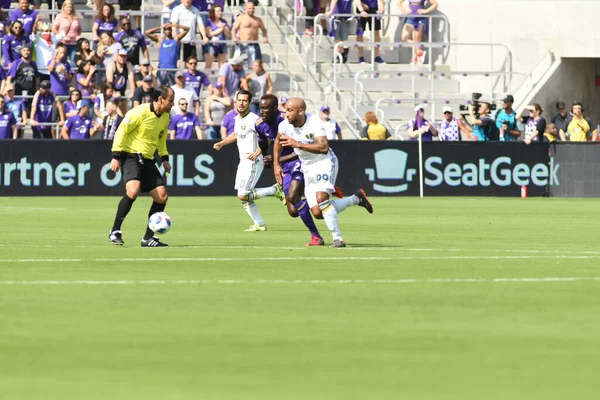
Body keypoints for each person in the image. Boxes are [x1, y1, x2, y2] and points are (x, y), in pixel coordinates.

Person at [275, 97, 373, 247]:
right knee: (318, 213)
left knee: (321, 199)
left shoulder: (315, 123)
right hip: (307, 167)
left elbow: (323, 147)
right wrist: (276, 164)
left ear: (300, 111)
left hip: (324, 162)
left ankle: (338, 239)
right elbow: (277, 141)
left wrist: (297, 144)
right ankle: (356, 199)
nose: (286, 114)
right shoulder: (284, 126)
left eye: (289, 110)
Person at [108, 86, 175, 247]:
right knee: (133, 190)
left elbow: (161, 139)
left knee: (162, 196)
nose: (173, 104)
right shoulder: (139, 112)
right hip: (130, 155)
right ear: (161, 99)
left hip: (148, 159)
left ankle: (148, 238)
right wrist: (116, 156)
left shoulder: (165, 116)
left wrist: (164, 158)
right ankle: (115, 231)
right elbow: (121, 132)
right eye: (171, 100)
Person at [256, 94, 325, 246]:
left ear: (275, 109)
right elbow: (271, 145)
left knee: (294, 196)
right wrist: (273, 162)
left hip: (297, 160)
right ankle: (320, 202)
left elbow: (299, 147)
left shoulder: (287, 120)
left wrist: (278, 160)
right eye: (260, 108)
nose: (262, 112)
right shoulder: (259, 125)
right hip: (283, 164)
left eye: (265, 108)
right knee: (293, 211)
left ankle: (316, 236)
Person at [213, 89, 284, 232]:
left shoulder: (255, 119)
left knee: (243, 195)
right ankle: (259, 224)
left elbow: (269, 138)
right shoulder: (237, 118)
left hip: (253, 161)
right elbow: (237, 134)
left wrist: (258, 152)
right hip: (243, 161)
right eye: (239, 100)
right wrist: (222, 142)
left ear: (250, 103)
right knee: (243, 197)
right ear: (235, 101)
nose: (241, 103)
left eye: (245, 100)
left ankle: (274, 190)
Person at [398, 0, 439, 64]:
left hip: (420, 18)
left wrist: (426, 11)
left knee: (417, 41)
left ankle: (416, 60)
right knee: (404, 37)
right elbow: (398, 2)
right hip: (410, 18)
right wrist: (405, 11)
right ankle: (420, 52)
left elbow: (435, 4)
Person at [231, 2, 268, 68]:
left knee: (255, 67)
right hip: (243, 44)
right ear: (246, 8)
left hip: (254, 45)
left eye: (253, 8)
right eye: (249, 8)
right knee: (241, 66)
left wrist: (265, 37)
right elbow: (234, 29)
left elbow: (264, 29)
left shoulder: (258, 20)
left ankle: (252, 78)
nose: (251, 10)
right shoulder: (241, 18)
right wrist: (234, 37)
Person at [7, 44, 38, 110]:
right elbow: (9, 78)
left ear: (30, 52)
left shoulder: (33, 64)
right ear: (21, 52)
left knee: (30, 112)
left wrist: (37, 90)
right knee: (20, 112)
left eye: (28, 50)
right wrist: (9, 88)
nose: (26, 52)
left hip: (31, 92)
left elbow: (37, 78)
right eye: (24, 50)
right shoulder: (16, 63)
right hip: (19, 92)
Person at [52, 0, 81, 65]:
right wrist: (62, 37)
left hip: (74, 43)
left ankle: (72, 75)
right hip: (63, 44)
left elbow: (79, 29)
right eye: (67, 7)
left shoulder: (76, 17)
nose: (69, 9)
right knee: (62, 62)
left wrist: (78, 35)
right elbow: (54, 29)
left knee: (73, 63)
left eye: (70, 7)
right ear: (64, 7)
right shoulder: (59, 16)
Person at [203, 5, 230, 69]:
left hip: (222, 45)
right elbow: (209, 34)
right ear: (213, 12)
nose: (220, 12)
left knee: (222, 67)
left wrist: (225, 29)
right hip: (211, 45)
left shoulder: (224, 21)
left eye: (220, 11)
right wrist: (220, 29)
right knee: (208, 67)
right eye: (218, 11)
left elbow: (227, 34)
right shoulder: (209, 21)